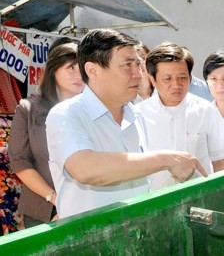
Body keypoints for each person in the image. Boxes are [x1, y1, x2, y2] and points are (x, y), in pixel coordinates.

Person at [46, 29, 207, 218]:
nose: (138, 74)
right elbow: (85, 169)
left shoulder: (136, 116)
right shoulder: (66, 114)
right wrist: (166, 160)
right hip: (89, 240)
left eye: (139, 65)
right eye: (127, 65)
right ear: (93, 70)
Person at [8, 41, 84, 227]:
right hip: (43, 208)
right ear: (53, 70)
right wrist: (55, 199)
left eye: (82, 68)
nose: (79, 75)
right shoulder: (28, 109)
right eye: (71, 68)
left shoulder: (91, 109)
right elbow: (20, 162)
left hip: (87, 204)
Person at [137, 43, 224, 190]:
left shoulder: (206, 111)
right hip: (154, 200)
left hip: (199, 197)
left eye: (182, 77)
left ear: (190, 78)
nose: (176, 84)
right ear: (152, 79)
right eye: (167, 79)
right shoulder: (139, 114)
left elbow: (219, 160)